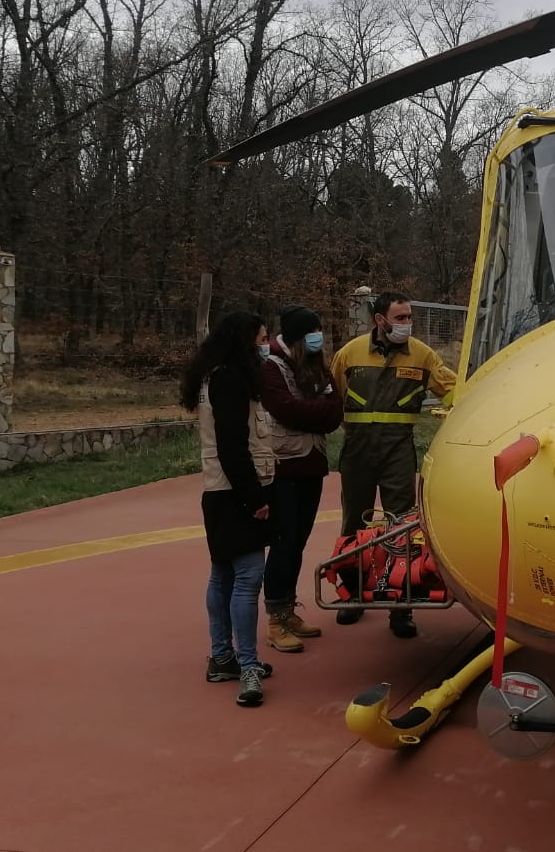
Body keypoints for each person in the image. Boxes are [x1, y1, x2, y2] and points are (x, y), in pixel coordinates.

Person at [330, 290, 457, 638]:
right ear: (380, 320)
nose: (406, 324)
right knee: (354, 523)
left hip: (398, 449)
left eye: (409, 317)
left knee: (401, 527)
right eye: (400, 318)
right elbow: (334, 395)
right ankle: (353, 595)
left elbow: (454, 391)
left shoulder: (422, 355)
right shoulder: (350, 354)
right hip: (357, 448)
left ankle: (401, 608)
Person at [179, 310, 275, 708]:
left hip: (216, 488)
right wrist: (255, 499)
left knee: (222, 571)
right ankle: (248, 665)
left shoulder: (211, 375)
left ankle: (222, 656)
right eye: (261, 340)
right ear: (244, 341)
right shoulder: (232, 379)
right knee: (248, 576)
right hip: (236, 488)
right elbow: (233, 446)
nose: (265, 347)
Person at [258, 304, 343, 653]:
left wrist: (314, 413)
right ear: (295, 337)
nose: (317, 337)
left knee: (299, 541)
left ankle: (288, 609)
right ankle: (275, 618)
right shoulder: (271, 366)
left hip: (311, 464)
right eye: (312, 332)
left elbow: (335, 411)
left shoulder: (315, 365)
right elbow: (285, 410)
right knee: (284, 541)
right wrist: (315, 412)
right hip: (283, 465)